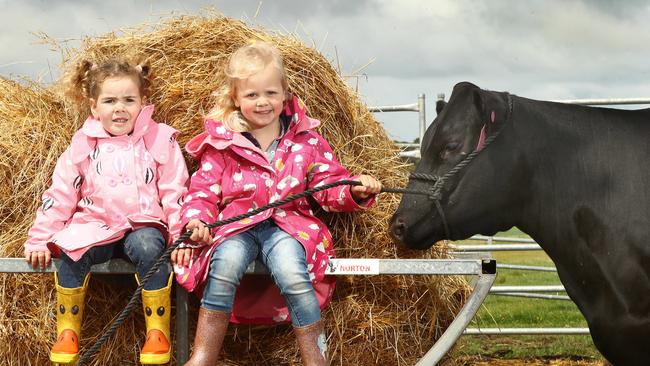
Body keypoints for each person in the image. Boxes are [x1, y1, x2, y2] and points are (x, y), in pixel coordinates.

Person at [171, 42, 381, 366]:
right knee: (224, 264)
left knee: (293, 271)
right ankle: (203, 356)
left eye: (270, 92)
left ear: (284, 93)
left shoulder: (306, 141)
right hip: (235, 227)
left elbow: (327, 186)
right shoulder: (222, 145)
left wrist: (355, 189)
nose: (262, 102)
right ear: (236, 99)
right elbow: (202, 191)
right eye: (252, 95)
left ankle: (316, 357)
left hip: (289, 226)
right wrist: (197, 221)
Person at [23, 59, 188, 365]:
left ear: (143, 102)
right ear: (94, 107)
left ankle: (157, 332)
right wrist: (38, 239)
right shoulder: (83, 143)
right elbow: (61, 193)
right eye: (110, 101)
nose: (120, 108)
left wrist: (181, 237)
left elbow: (175, 191)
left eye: (129, 100)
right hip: (96, 223)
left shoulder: (159, 139)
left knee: (151, 246)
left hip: (142, 223)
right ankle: (68, 331)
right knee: (71, 248)